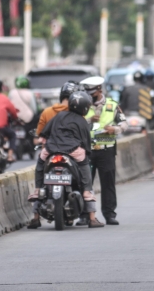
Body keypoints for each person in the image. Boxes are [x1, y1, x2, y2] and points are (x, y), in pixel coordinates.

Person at [39, 91, 105, 228]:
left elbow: (45, 132)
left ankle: (37, 188)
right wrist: (87, 152)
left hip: (52, 149)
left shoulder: (59, 116)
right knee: (85, 167)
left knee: (40, 163)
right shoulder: (82, 121)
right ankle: (92, 216)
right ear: (86, 107)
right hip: (73, 150)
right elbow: (86, 142)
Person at [76, 76, 128, 226]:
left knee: (108, 183)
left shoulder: (112, 105)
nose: (89, 96)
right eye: (87, 93)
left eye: (91, 93)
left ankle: (109, 214)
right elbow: (75, 123)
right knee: (85, 183)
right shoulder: (82, 106)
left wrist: (115, 129)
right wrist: (88, 121)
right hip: (87, 150)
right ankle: (84, 215)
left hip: (107, 149)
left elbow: (125, 124)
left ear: (99, 89)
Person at [27, 81, 77, 229]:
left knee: (40, 176)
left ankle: (35, 215)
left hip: (50, 150)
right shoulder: (76, 112)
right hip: (71, 150)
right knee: (83, 173)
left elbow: (39, 134)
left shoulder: (48, 112)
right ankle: (89, 212)